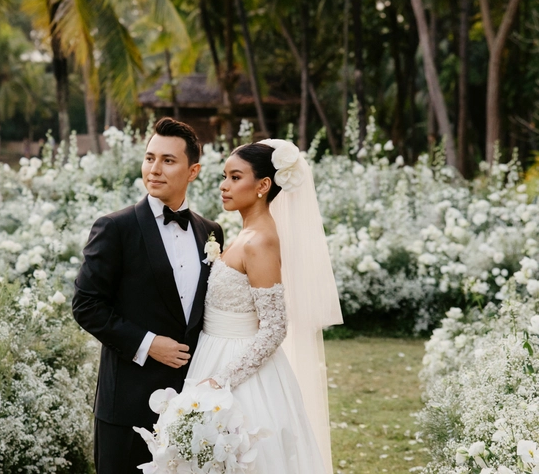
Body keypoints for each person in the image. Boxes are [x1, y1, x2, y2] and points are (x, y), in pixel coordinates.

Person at [72, 118, 224, 473]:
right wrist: (148, 343)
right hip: (127, 404)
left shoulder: (211, 232)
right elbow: (86, 305)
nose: (154, 169)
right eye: (149, 158)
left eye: (168, 161)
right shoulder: (115, 227)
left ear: (193, 171)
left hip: (192, 405)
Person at [185, 139, 343, 474]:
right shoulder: (245, 233)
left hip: (238, 368)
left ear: (263, 185)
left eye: (235, 177)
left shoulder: (260, 241)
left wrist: (222, 380)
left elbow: (274, 327)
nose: (224, 186)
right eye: (224, 176)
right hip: (212, 350)